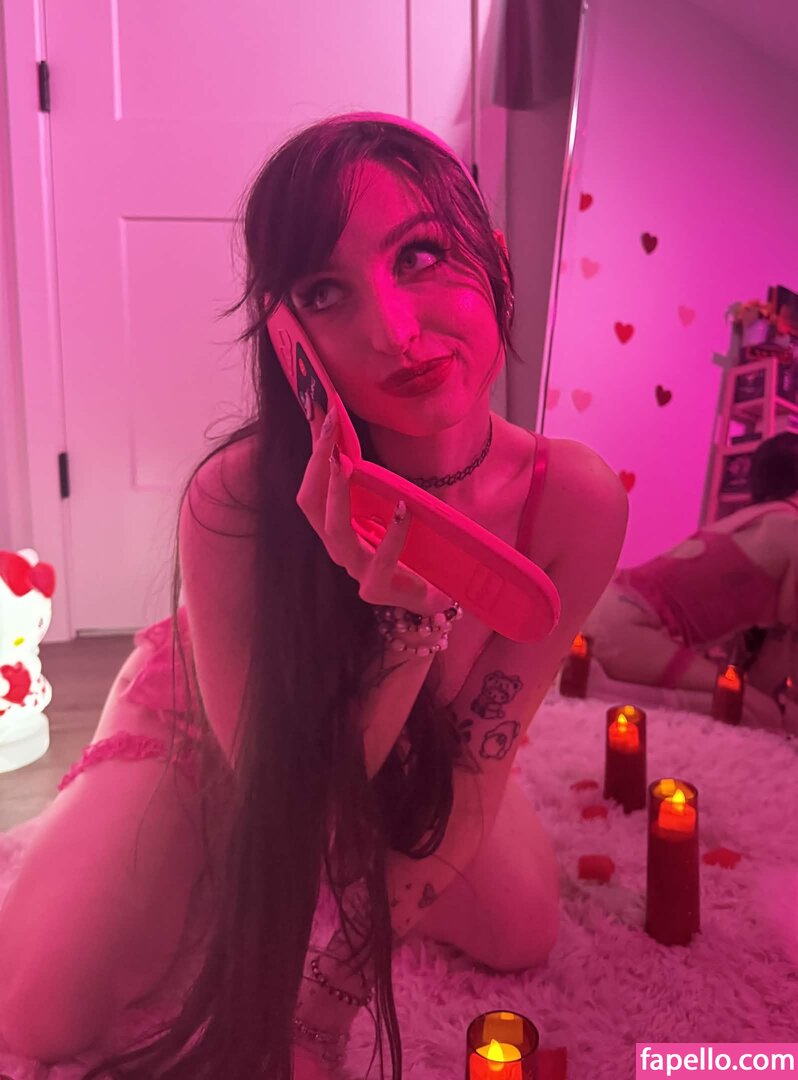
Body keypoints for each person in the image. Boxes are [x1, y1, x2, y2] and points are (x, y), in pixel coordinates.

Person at [0, 113, 627, 1078]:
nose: (393, 331)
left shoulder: (573, 502)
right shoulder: (237, 499)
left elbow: (477, 763)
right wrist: (402, 625)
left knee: (520, 929)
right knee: (41, 1010)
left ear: (497, 263)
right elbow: (289, 793)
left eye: (421, 255)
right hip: (228, 727)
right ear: (289, 338)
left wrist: (328, 999)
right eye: (326, 291)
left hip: (425, 737)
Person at [581, 432, 798, 732]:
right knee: (762, 714)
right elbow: (783, 650)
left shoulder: (745, 520)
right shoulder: (791, 529)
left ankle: (600, 683)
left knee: (747, 701)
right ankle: (604, 692)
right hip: (629, 628)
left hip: (606, 611)